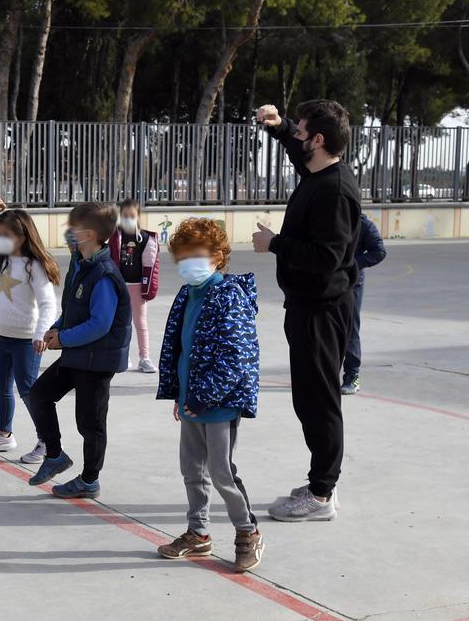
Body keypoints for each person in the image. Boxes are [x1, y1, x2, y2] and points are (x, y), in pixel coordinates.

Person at [253, 100, 361, 522]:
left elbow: (327, 257)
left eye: (300, 132)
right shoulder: (320, 174)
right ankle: (321, 481)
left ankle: (320, 494)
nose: (296, 138)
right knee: (309, 399)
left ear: (318, 140)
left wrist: (275, 244)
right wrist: (279, 127)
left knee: (319, 402)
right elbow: (297, 153)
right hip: (308, 305)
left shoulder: (333, 190)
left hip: (322, 309)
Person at [154, 218, 264, 572]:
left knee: (221, 473)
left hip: (218, 404)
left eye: (197, 255)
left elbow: (237, 357)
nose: (189, 263)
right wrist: (180, 394)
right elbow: (181, 349)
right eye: (183, 257)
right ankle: (198, 533)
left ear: (218, 256)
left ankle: (248, 532)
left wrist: (205, 396)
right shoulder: (188, 294)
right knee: (192, 470)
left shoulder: (230, 296)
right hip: (191, 401)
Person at [26, 203, 132, 499]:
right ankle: (55, 455)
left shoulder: (105, 274)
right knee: (39, 394)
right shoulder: (81, 265)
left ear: (88, 234)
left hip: (97, 360)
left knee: (90, 422)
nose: (68, 232)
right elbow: (74, 310)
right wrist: (57, 328)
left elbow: (100, 324)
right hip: (78, 353)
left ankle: (89, 480)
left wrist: (63, 339)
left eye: (72, 227)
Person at [0, 198, 60, 463]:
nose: (0, 239)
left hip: (27, 341)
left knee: (29, 391)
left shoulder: (34, 267)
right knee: (2, 387)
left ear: (23, 236)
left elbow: (48, 305)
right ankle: (4, 434)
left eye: (7, 235)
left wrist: (39, 334)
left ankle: (46, 441)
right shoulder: (2, 259)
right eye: (0, 235)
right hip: (4, 337)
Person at [109, 198, 160, 373]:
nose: (128, 218)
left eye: (132, 216)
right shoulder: (115, 237)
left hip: (138, 286)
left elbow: (152, 265)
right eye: (125, 216)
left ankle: (144, 358)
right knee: (122, 323)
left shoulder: (144, 237)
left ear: (137, 216)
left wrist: (150, 287)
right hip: (120, 286)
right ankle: (123, 357)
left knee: (140, 323)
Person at [342, 213, 387, 395]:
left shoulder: (363, 224)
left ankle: (352, 375)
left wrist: (352, 264)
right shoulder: (328, 219)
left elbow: (379, 251)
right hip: (327, 281)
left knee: (350, 328)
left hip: (352, 283)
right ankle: (325, 374)